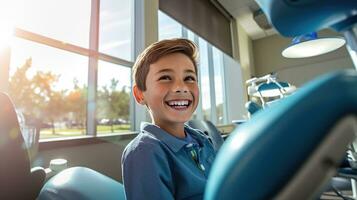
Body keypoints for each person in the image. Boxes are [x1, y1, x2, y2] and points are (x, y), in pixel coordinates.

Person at [121, 38, 216, 200]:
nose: (181, 87)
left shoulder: (202, 140)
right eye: (165, 77)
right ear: (139, 94)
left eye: (189, 78)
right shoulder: (144, 152)